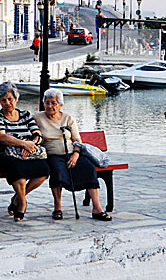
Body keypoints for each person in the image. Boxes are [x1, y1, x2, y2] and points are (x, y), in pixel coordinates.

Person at [34, 88, 112, 221]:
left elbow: (77, 139)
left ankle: (97, 208)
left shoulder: (68, 118)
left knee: (88, 167)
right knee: (57, 170)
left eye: (53, 103)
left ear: (60, 105)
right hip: (52, 154)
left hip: (72, 152)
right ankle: (57, 207)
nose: (50, 106)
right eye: (47, 103)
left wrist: (75, 154)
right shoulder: (37, 117)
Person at [0, 81, 49, 222]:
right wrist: (23, 144)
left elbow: (38, 134)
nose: (8, 103)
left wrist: (31, 145)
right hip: (7, 154)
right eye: (4, 100)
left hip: (28, 151)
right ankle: (22, 203)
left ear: (16, 99)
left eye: (10, 99)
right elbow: (0, 136)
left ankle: (16, 198)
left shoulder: (25, 115)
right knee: (19, 175)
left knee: (44, 172)